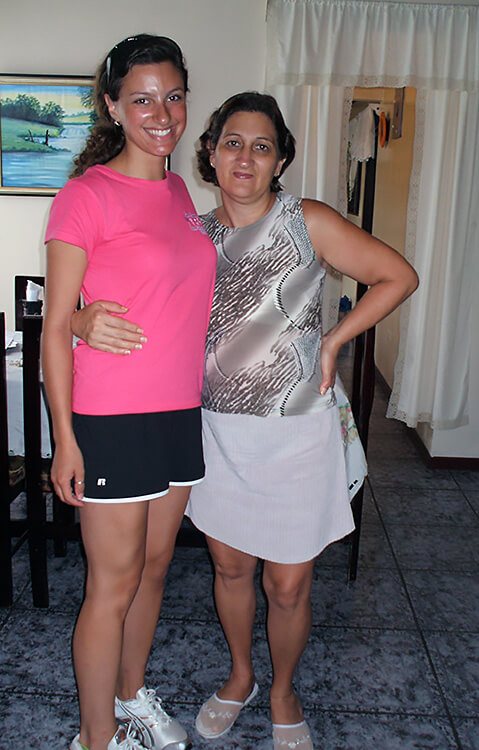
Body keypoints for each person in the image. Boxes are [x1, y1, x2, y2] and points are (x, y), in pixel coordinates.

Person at [72, 92, 418, 749]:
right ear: (209, 150)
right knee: (230, 571)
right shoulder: (194, 233)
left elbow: (397, 276)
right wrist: (78, 319)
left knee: (287, 586)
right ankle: (240, 678)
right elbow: (124, 294)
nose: (245, 157)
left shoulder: (308, 220)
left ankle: (284, 690)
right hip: (219, 433)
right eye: (233, 141)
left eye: (262, 146)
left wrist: (335, 339)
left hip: (296, 431)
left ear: (280, 158)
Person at [42, 35, 216, 750]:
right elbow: (55, 328)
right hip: (111, 417)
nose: (162, 112)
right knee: (110, 587)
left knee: (154, 568)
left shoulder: (180, 191)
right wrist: (65, 441)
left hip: (179, 411)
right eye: (142, 98)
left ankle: (129, 694)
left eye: (173, 95)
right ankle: (95, 739)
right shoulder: (85, 195)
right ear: (113, 106)